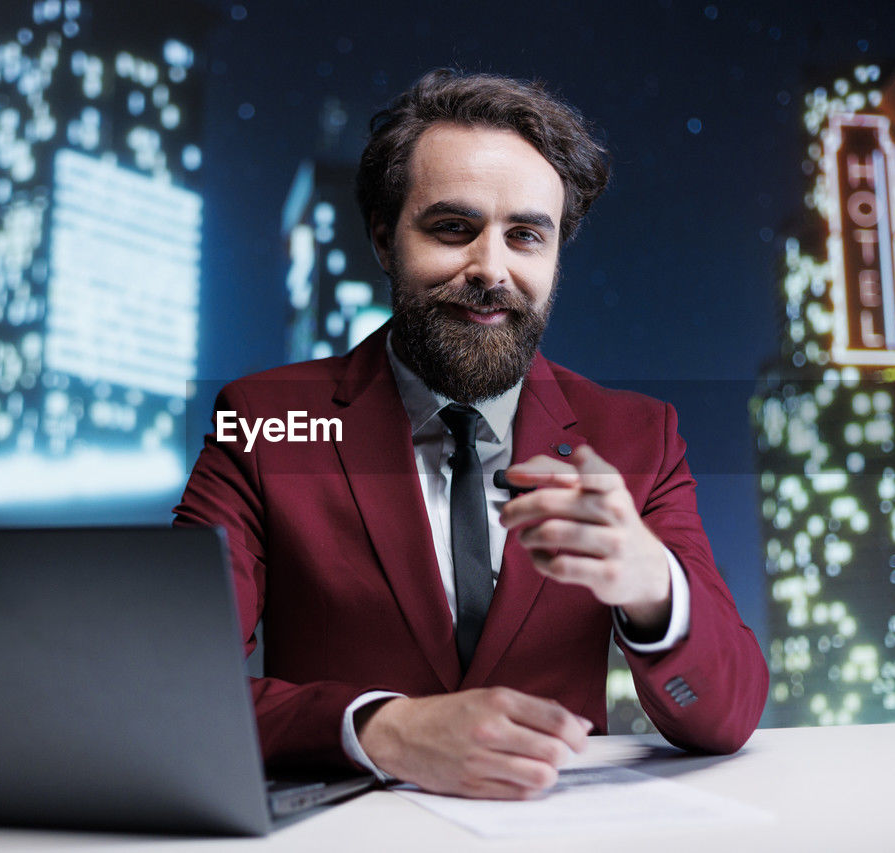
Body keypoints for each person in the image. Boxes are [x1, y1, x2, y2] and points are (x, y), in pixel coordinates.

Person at [174, 69, 768, 800]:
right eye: (453, 228)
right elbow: (176, 689)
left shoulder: (639, 436)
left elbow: (730, 713)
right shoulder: (265, 421)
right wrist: (380, 729)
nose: (491, 269)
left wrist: (652, 582)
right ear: (385, 240)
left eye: (526, 236)